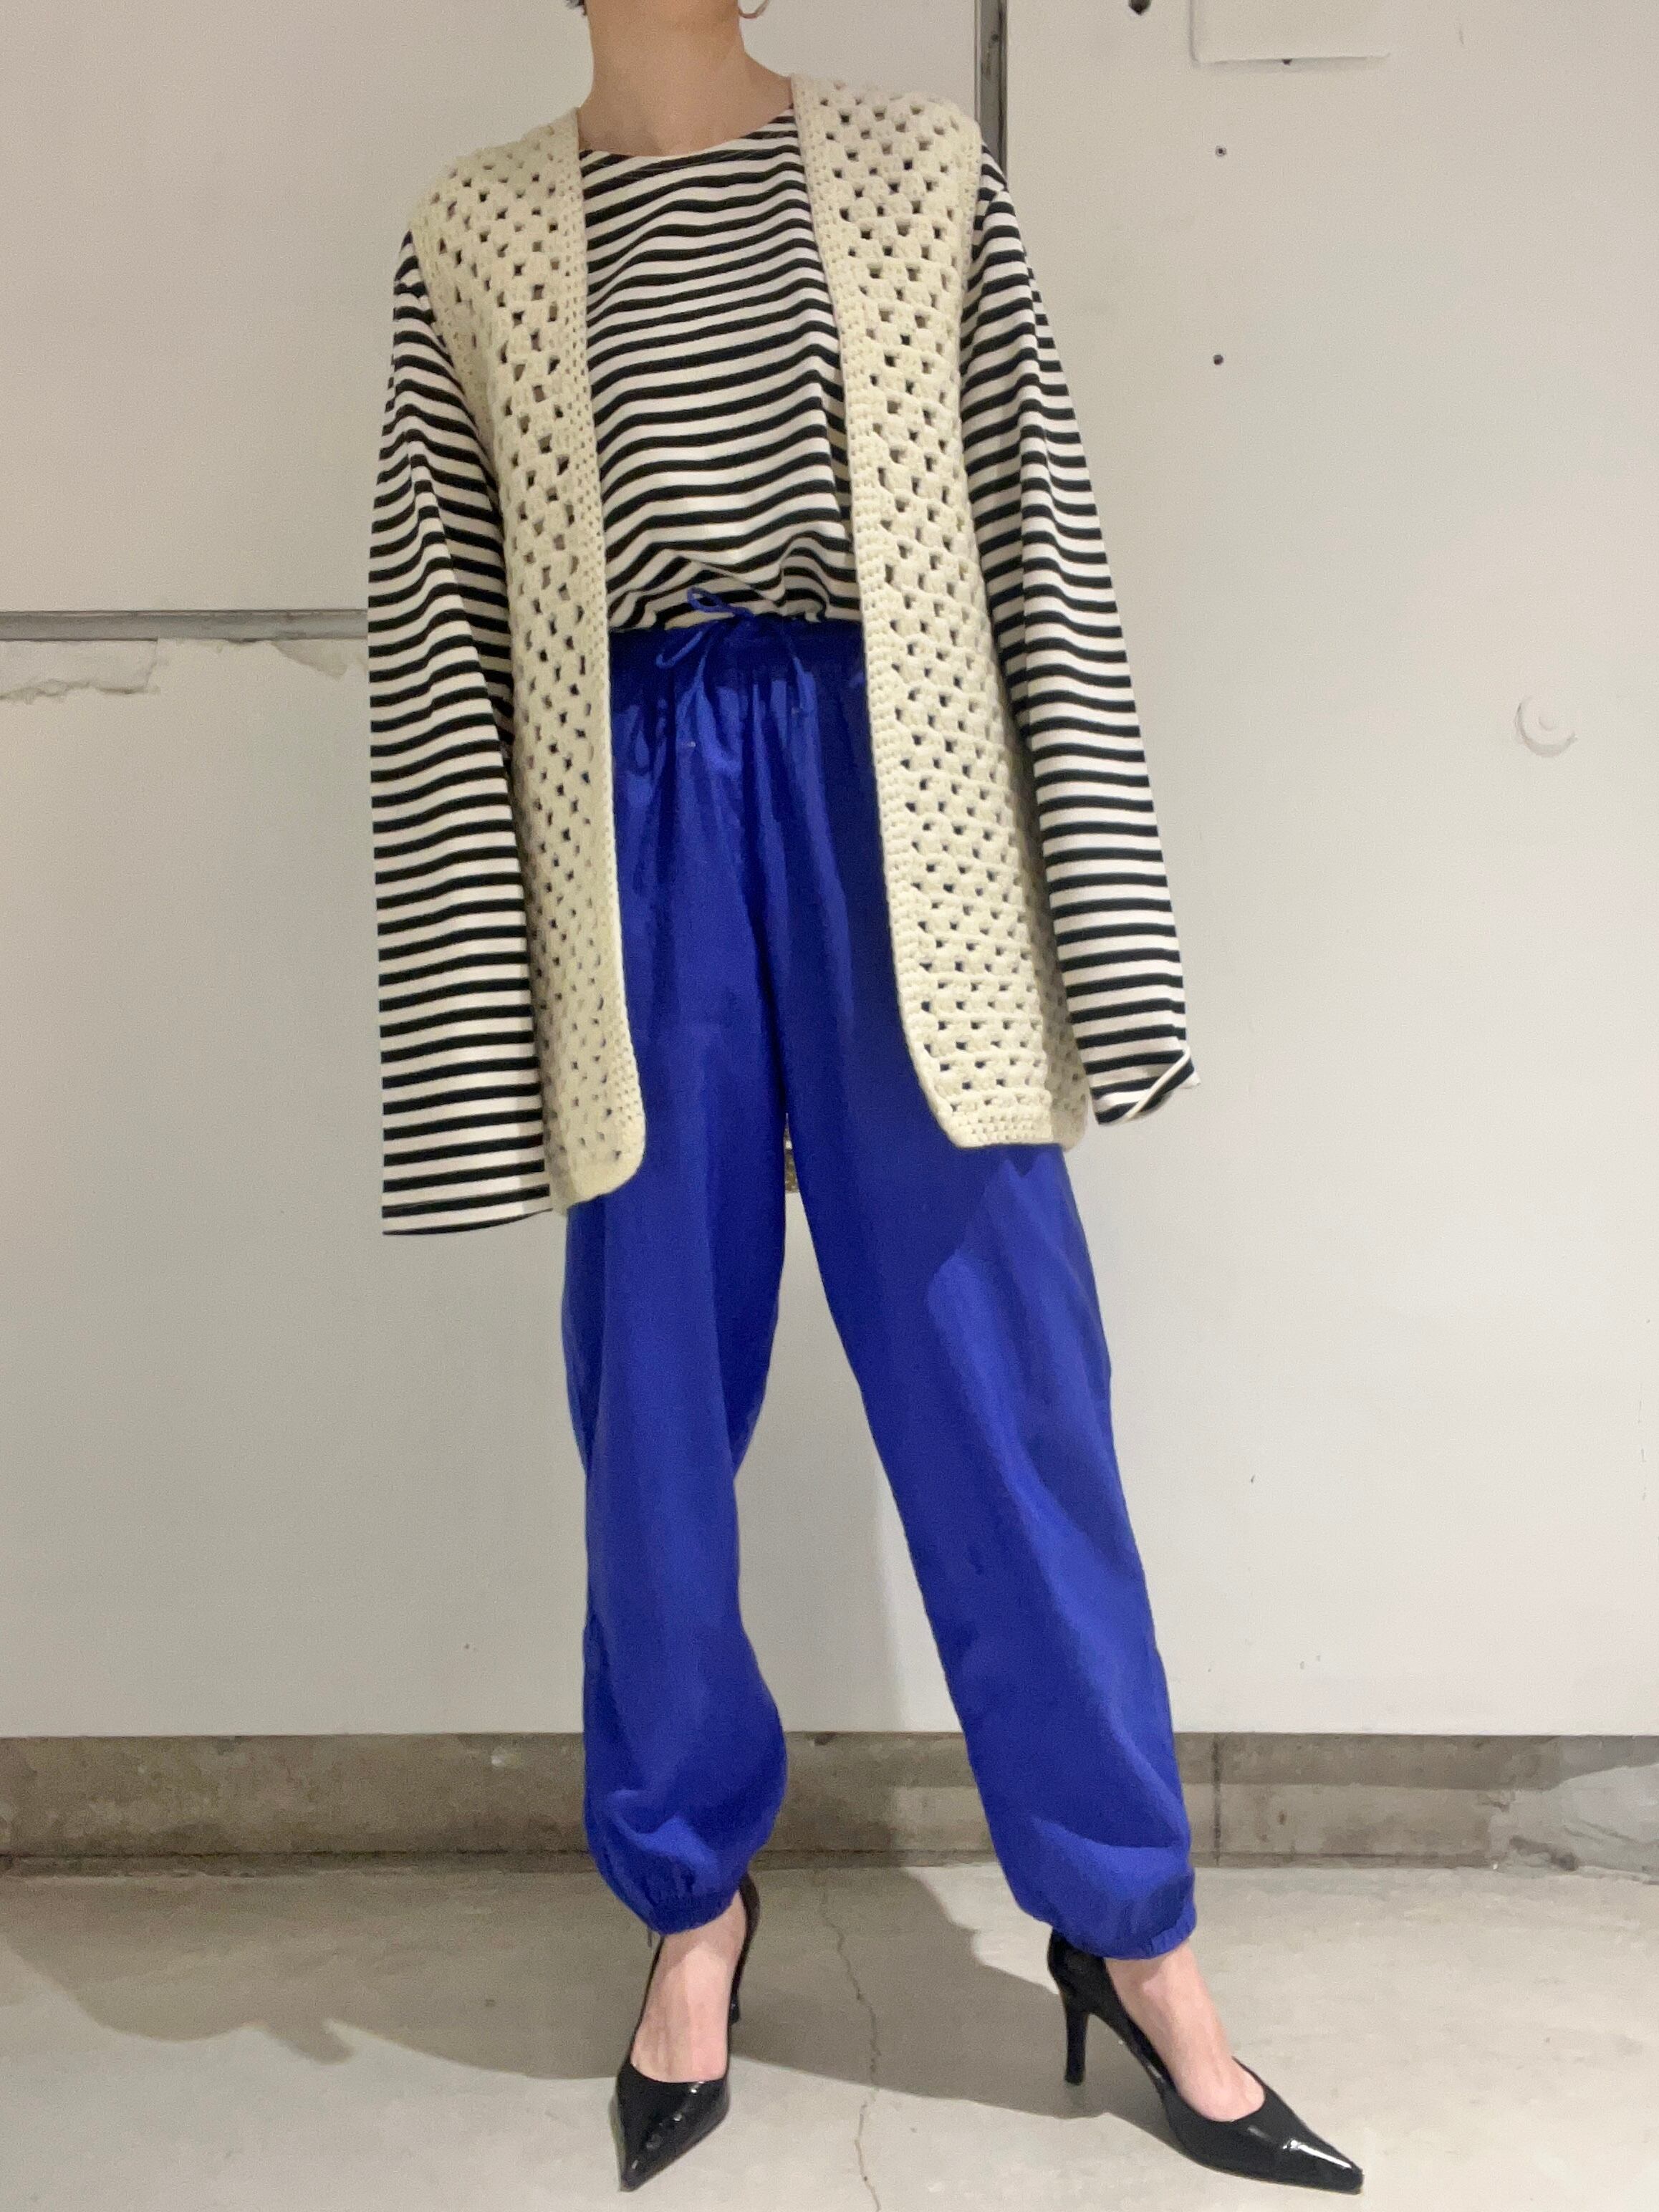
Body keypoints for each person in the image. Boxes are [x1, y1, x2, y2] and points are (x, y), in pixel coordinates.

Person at [366, 0, 1362, 2194]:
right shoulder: (470, 231)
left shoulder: (920, 176)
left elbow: (1036, 548)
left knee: (1007, 1395)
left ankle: (1133, 1934)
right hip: (627, 842)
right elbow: (440, 650)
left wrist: (1103, 937)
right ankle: (689, 1902)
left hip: (903, 819)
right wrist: (466, 1038)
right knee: (651, 1415)